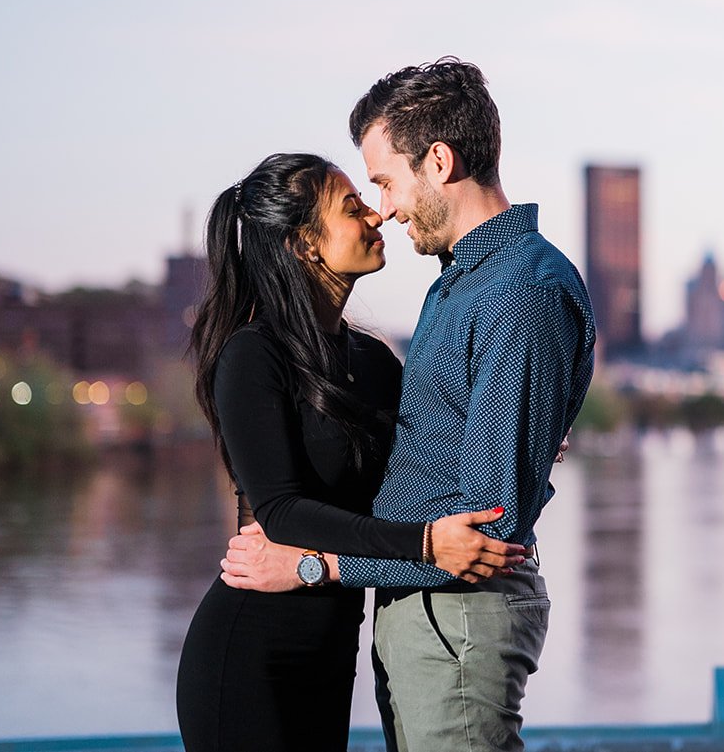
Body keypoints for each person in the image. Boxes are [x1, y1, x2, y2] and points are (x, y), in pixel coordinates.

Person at [220, 59, 596, 752]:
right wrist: (518, 429)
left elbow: (486, 528)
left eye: (387, 181)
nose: (384, 207)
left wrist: (317, 565)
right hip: (425, 616)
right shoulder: (458, 285)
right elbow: (429, 447)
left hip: (458, 616)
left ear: (440, 161)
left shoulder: (519, 294)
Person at [175, 151, 528, 752]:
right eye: (351, 207)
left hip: (335, 647)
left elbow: (429, 451)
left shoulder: (374, 362)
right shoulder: (253, 356)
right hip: (252, 648)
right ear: (303, 245)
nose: (377, 216)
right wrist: (425, 544)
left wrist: (520, 424)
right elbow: (281, 512)